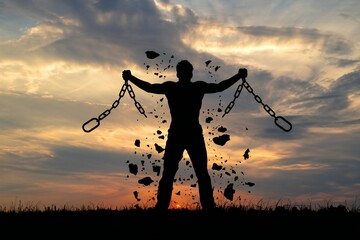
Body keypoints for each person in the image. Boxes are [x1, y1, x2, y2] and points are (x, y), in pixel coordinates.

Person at [122, 60, 247, 210]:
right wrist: (238, 76)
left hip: (177, 133)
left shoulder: (171, 87)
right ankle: (208, 207)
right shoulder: (197, 87)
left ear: (177, 73)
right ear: (191, 73)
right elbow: (219, 87)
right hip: (192, 133)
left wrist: (131, 78)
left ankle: (162, 207)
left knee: (170, 173)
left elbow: (149, 88)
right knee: (200, 174)